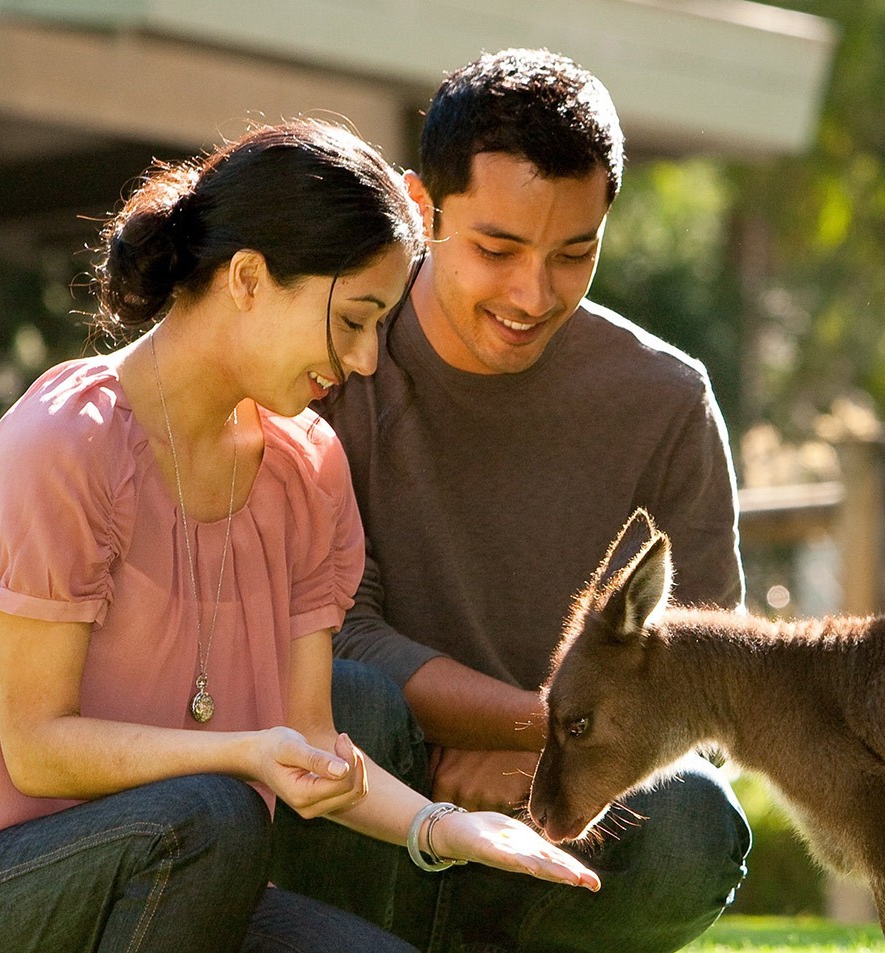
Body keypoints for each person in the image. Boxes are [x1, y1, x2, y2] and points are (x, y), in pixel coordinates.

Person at [0, 119, 599, 953]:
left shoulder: (307, 467)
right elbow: (36, 749)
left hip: (173, 873)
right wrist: (245, 753)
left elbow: (312, 743)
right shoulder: (68, 441)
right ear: (248, 278)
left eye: (378, 329)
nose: (362, 361)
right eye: (352, 319)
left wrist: (446, 827)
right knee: (217, 809)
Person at [281, 49, 750, 953]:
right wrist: (547, 730)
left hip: (565, 820)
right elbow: (341, 634)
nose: (533, 294)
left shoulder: (667, 400)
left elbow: (697, 674)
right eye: (496, 249)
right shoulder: (338, 366)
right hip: (377, 797)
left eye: (575, 253)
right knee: (348, 701)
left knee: (694, 818)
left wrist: (553, 764)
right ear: (423, 209)